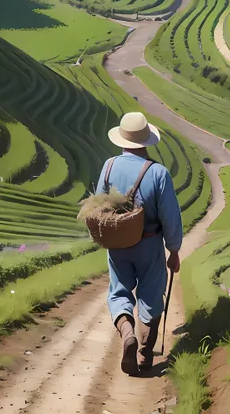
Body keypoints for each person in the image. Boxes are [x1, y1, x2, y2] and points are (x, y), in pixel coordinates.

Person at [96, 111, 183, 375]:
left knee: (119, 291)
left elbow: (99, 206)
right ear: (146, 141)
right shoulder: (158, 173)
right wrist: (174, 250)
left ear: (122, 139)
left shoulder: (109, 166)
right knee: (150, 297)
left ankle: (126, 334)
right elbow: (170, 216)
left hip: (118, 245)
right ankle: (145, 355)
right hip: (149, 244)